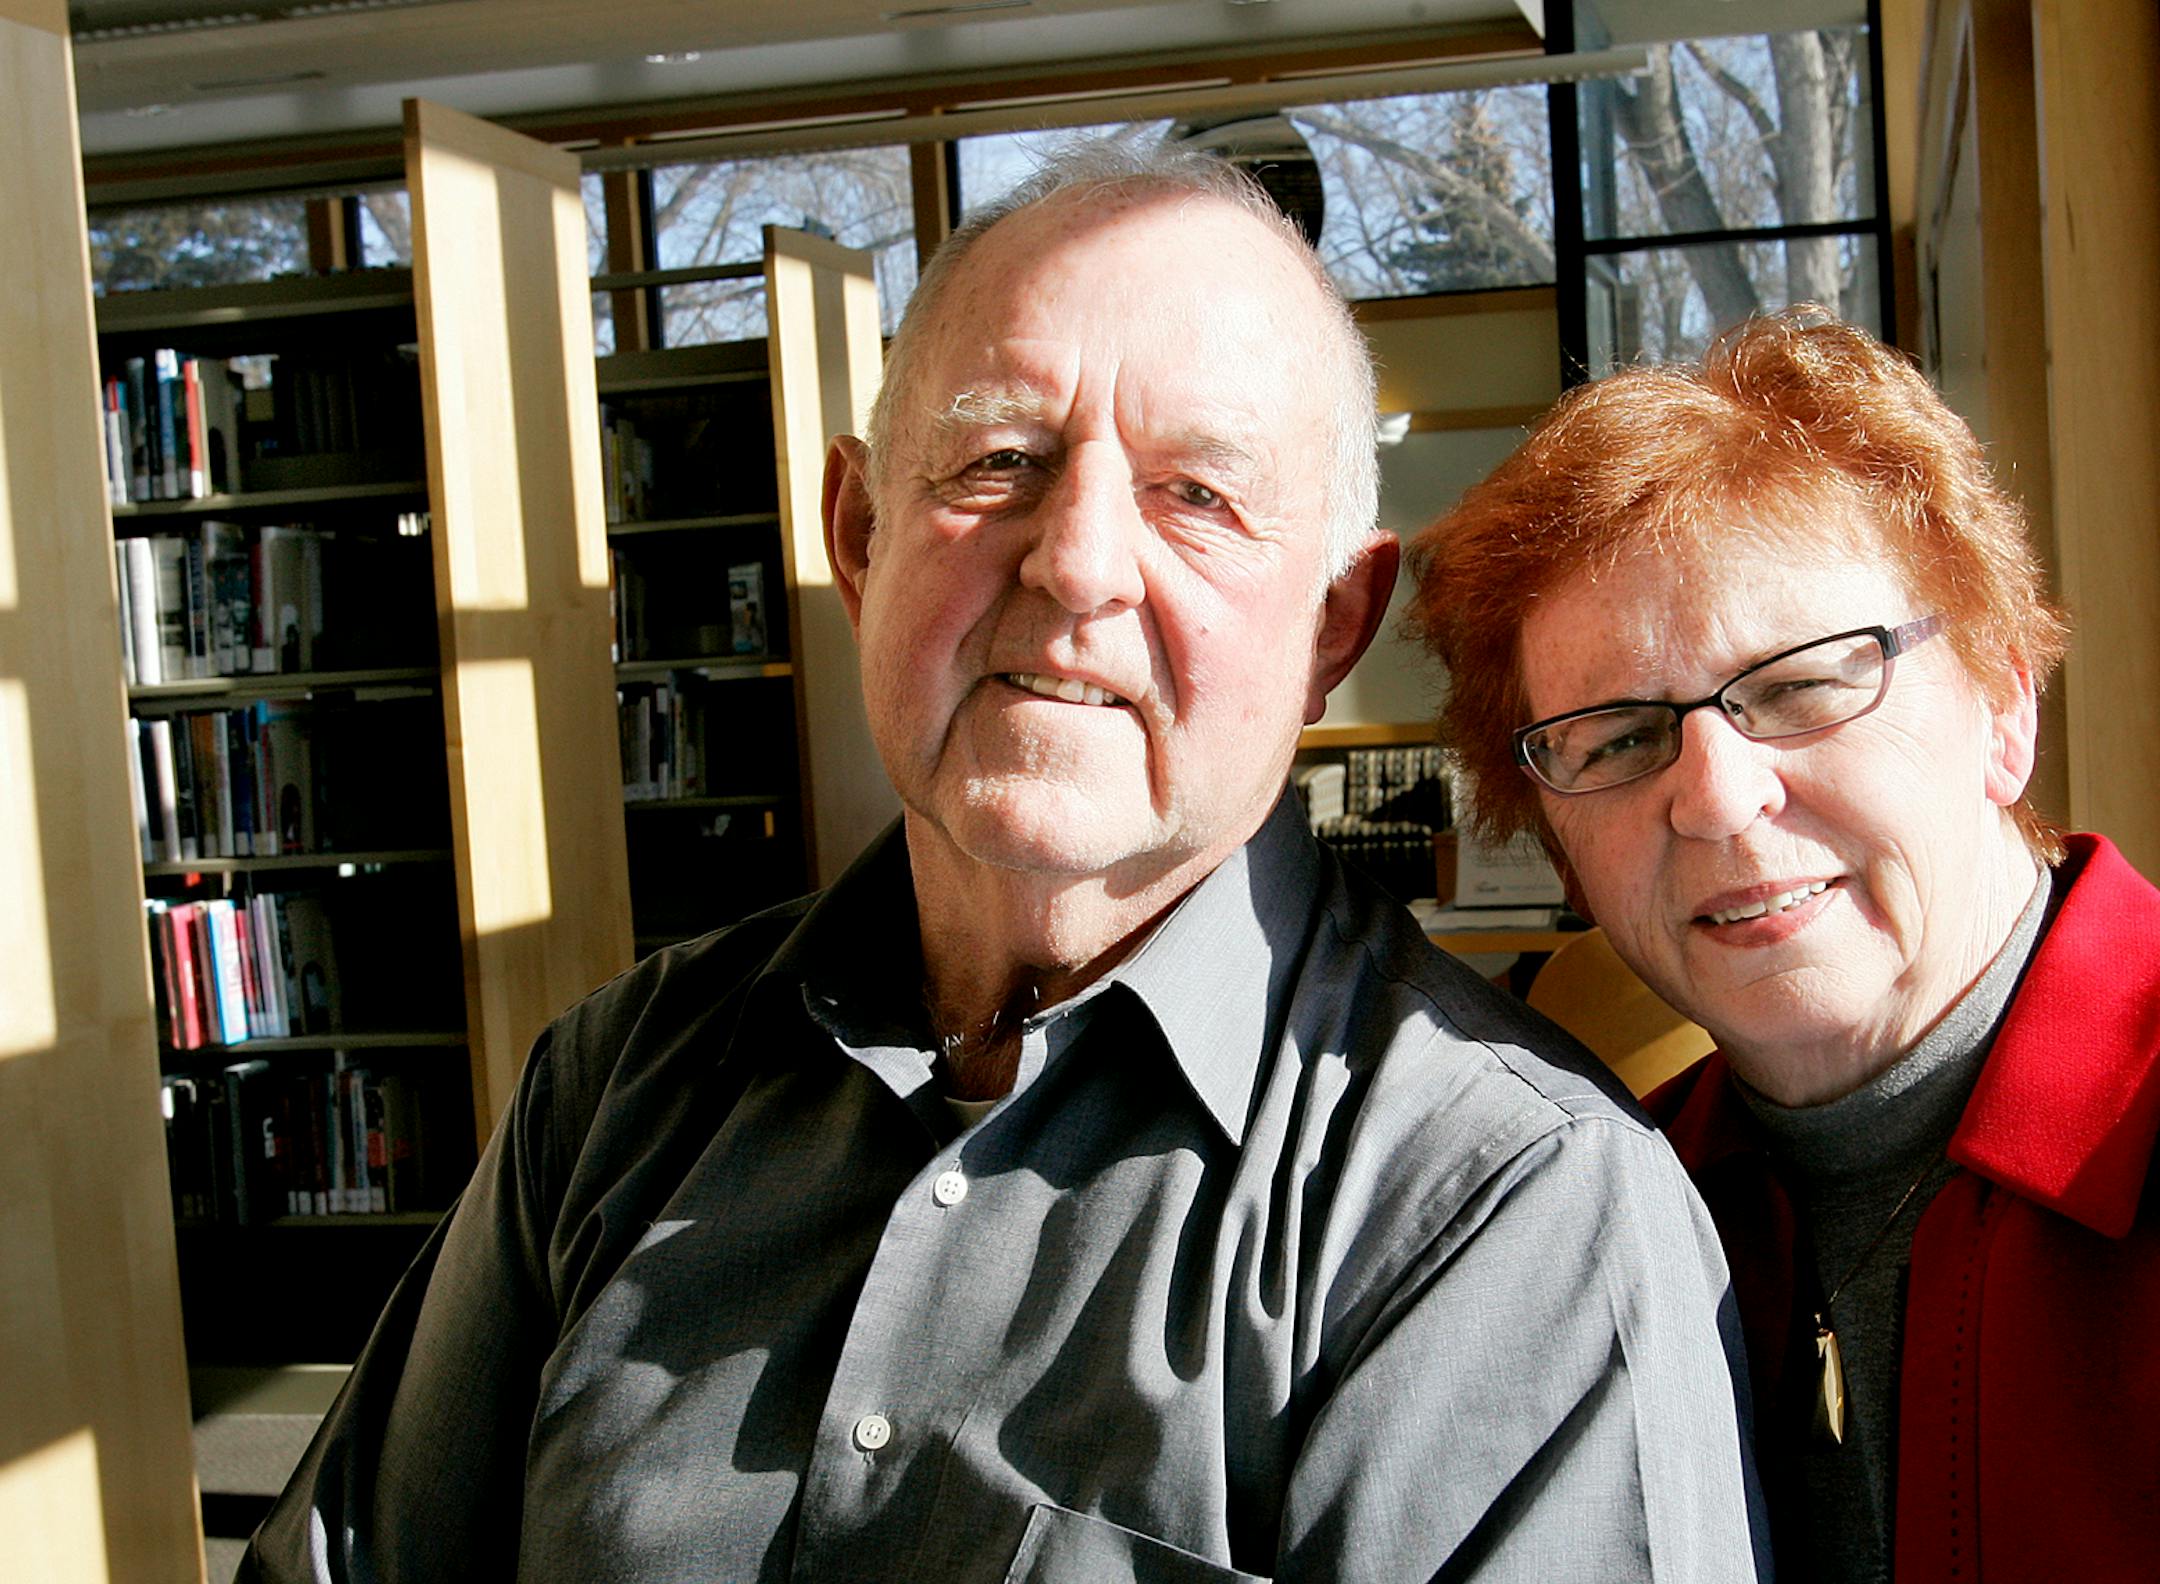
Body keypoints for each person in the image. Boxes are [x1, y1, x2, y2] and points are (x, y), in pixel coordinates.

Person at [243, 145, 1765, 1583]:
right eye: (1000, 460)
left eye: (1198, 495)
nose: (1079, 561)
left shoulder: (1506, 1210)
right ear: (857, 535)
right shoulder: (618, 1088)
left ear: (1332, 629)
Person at [1411, 307, 2160, 1582]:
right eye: (1617, 737)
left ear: (2004, 708)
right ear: (1557, 844)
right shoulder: (1597, 1223)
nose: (1713, 794)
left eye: (1804, 683)